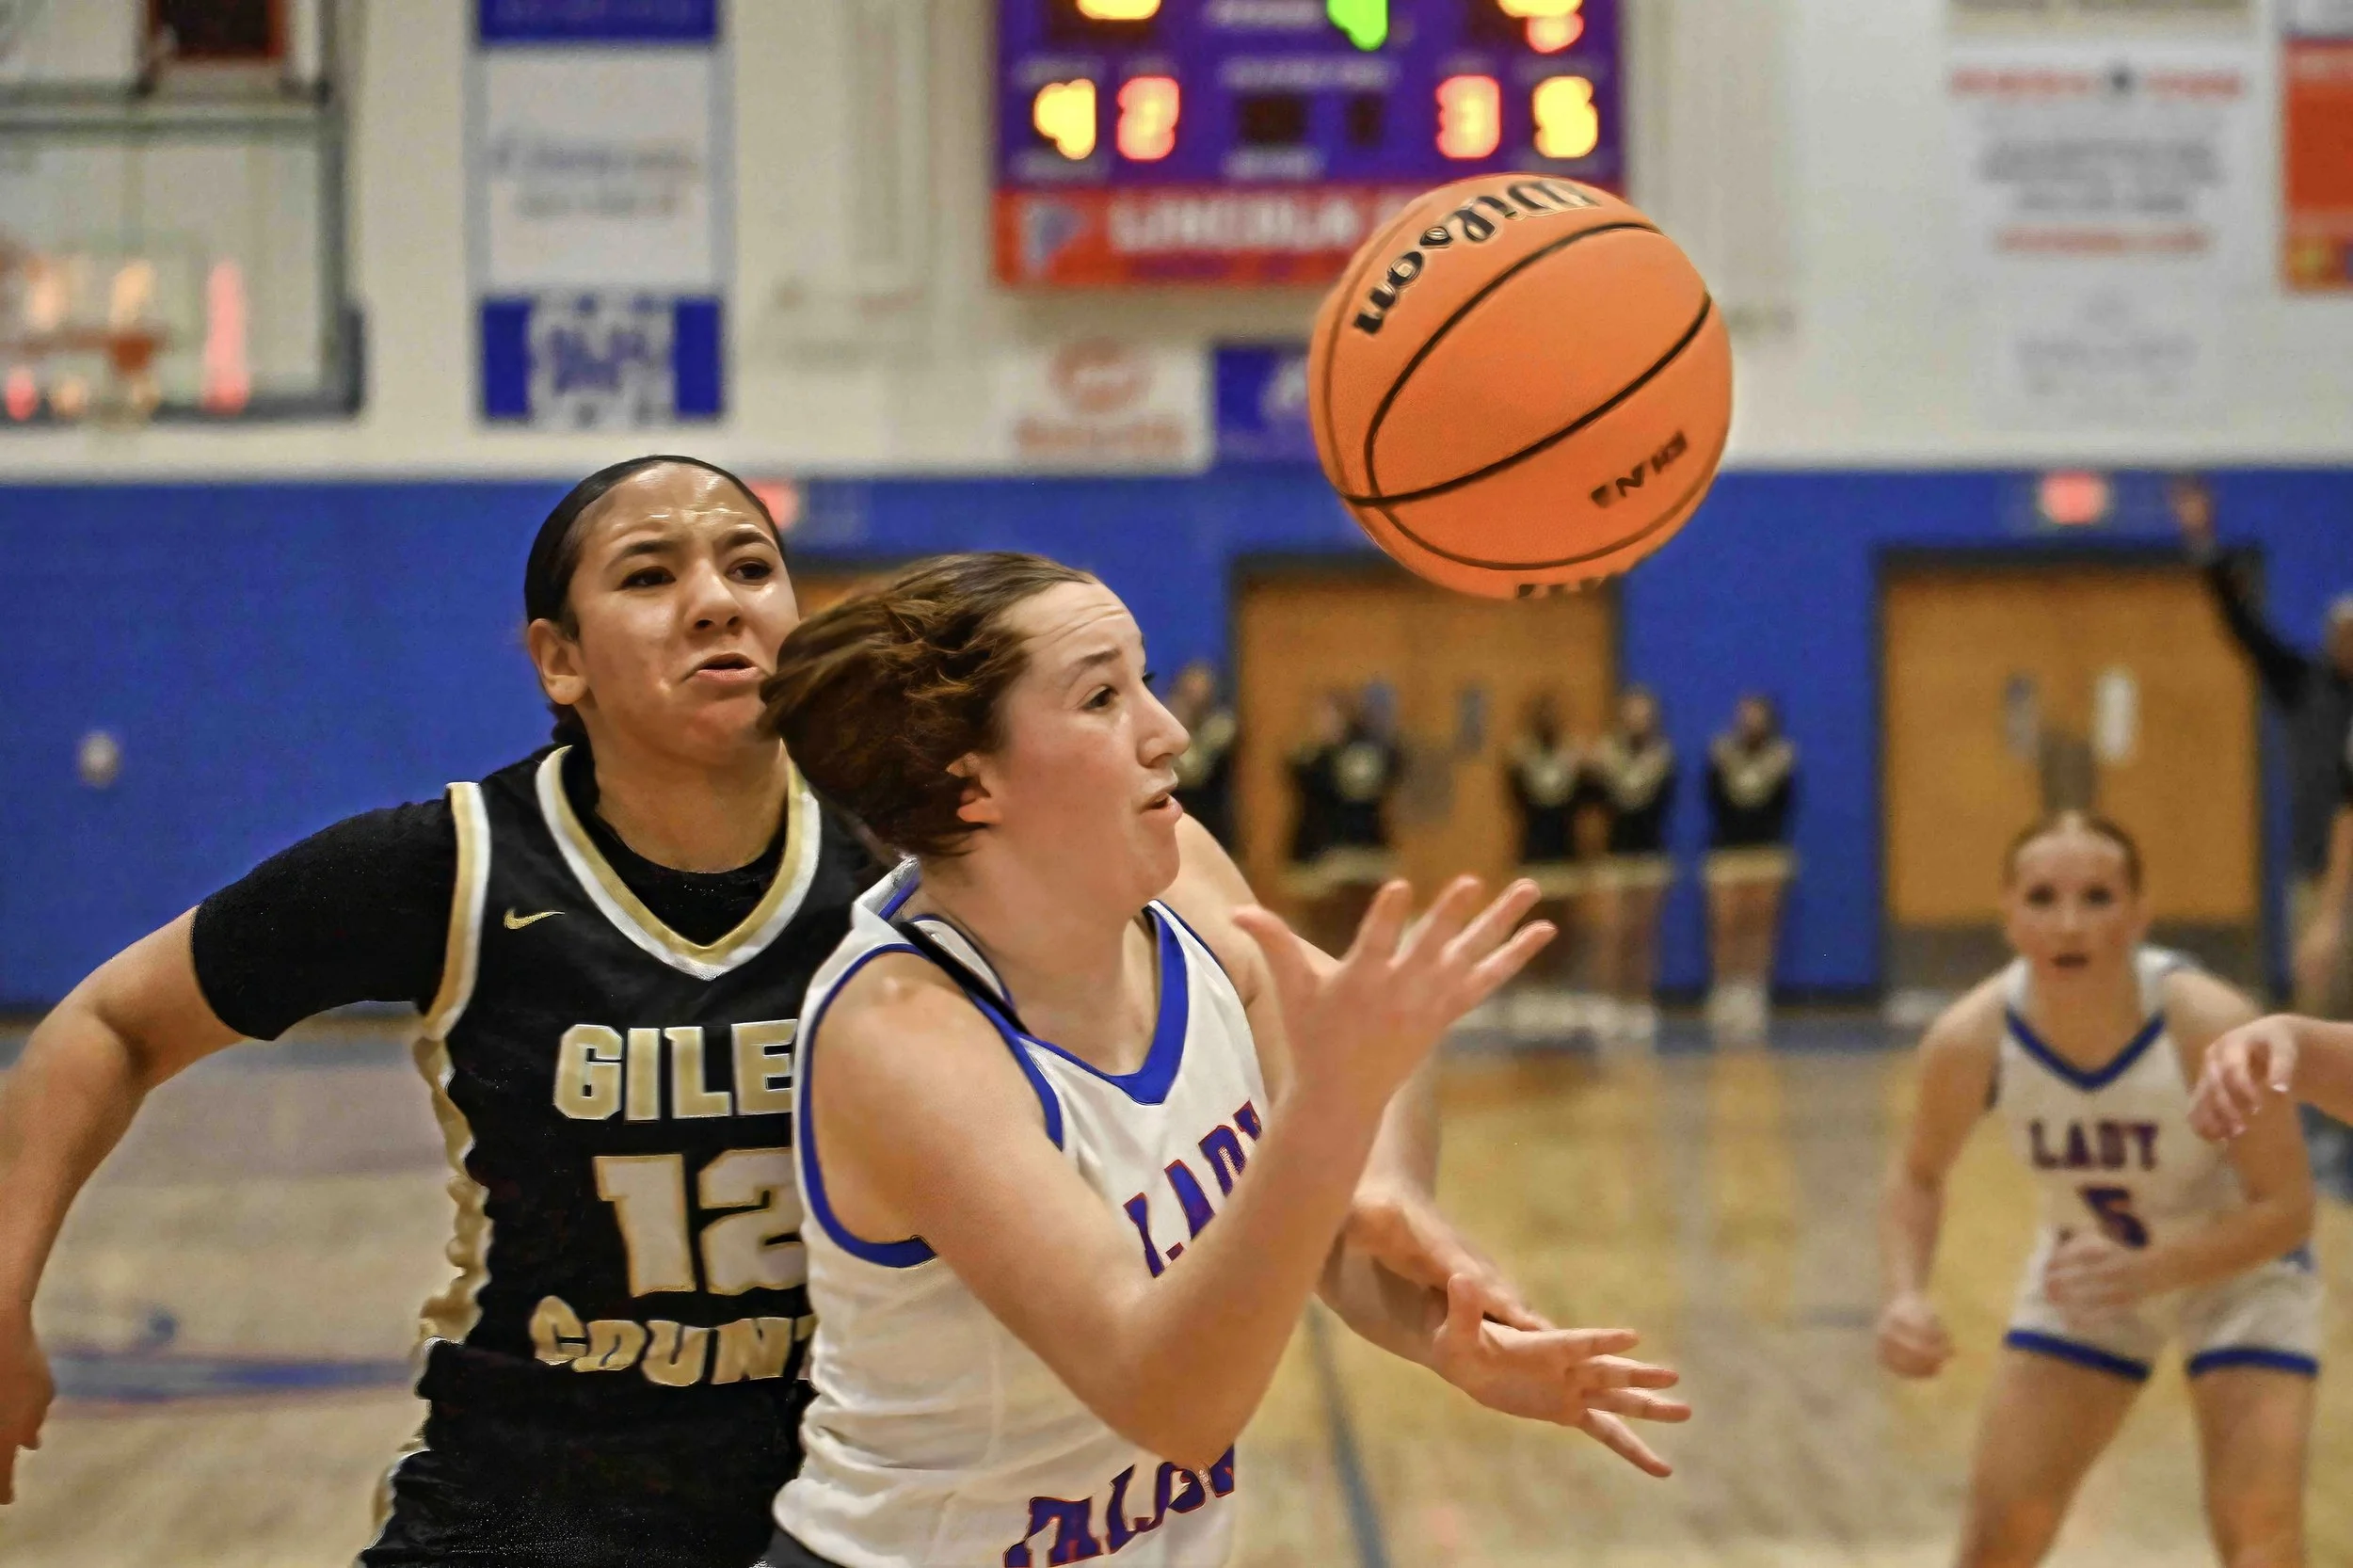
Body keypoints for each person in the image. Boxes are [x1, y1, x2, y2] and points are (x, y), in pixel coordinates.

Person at [0, 460, 1519, 1564]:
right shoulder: (449, 866)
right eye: (649, 576)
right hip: (539, 1495)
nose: (715, 600)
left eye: (748, 563)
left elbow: (1301, 1004)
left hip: (842, 1494)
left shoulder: (933, 834)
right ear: (558, 660)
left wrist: (1386, 1191)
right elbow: (110, 1025)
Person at [757, 554, 1689, 1568]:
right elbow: (1172, 1399)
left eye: (1145, 681)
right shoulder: (902, 1035)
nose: (1168, 731)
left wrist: (1396, 1235)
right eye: (1102, 698)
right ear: (970, 780)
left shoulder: (1178, 875)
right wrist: (1330, 1122)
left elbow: (1352, 1058)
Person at [1878, 811, 2316, 1568]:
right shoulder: (1970, 1039)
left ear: (2140, 914)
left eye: (2098, 897)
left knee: (2260, 1533)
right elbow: (1918, 1174)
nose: (2069, 924)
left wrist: (2153, 1270)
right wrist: (1905, 1295)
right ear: (2009, 914)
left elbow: (2288, 1208)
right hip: (2088, 1275)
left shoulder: (2208, 1024)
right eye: (2042, 898)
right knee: (1996, 1542)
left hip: (2241, 1276)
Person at [2174, 474, 2353, 1013]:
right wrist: (2205, 544)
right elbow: (2243, 626)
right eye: (2343, 631)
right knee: (2319, 998)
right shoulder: (2303, 682)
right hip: (2317, 865)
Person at [1704, 694, 1799, 1043]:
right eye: (1746, 715)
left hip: (1766, 851)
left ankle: (1753, 992)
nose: (1751, 721)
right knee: (1727, 924)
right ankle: (1724, 991)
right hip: (1728, 852)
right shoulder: (1721, 756)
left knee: (1761, 925)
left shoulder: (1782, 758)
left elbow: (1786, 804)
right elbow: (1713, 800)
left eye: (1758, 715)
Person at [1589, 686, 1676, 1046]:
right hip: (1615, 855)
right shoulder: (1605, 756)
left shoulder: (1662, 757)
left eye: (1643, 712)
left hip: (1649, 855)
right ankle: (1609, 1002)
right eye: (1631, 711)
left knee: (1643, 933)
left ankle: (1640, 1002)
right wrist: (1592, 771)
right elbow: (1594, 803)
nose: (1637, 718)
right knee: (1612, 932)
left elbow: (1663, 805)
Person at [1504, 691, 1594, 1037]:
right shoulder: (1519, 757)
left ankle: (1561, 990)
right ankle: (1531, 991)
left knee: (1564, 925)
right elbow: (1515, 801)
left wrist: (1583, 768)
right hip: (1533, 852)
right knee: (1529, 922)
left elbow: (1587, 801)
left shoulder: (1573, 755)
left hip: (1566, 853)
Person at [1165, 661, 1238, 849]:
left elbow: (1195, 772)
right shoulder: (1165, 727)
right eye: (1190, 692)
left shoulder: (1220, 729)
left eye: (1202, 691)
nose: (1196, 699)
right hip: (1174, 827)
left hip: (1211, 824)